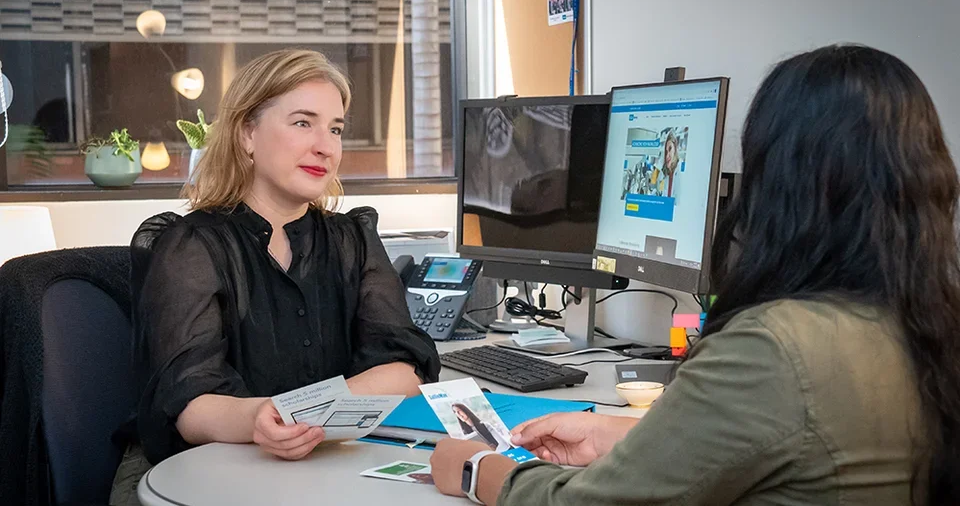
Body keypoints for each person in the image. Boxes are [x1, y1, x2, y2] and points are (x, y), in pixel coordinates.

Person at [429, 44, 960, 505]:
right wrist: (619, 435)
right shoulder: (928, 325)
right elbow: (787, 442)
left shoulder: (773, 347)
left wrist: (479, 470)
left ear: (778, 185)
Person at [110, 49, 441, 505]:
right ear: (247, 133)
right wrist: (264, 418)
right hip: (199, 472)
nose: (326, 146)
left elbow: (405, 368)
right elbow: (188, 403)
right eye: (303, 123)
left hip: (321, 466)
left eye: (336, 129)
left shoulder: (352, 239)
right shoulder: (192, 245)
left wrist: (306, 412)